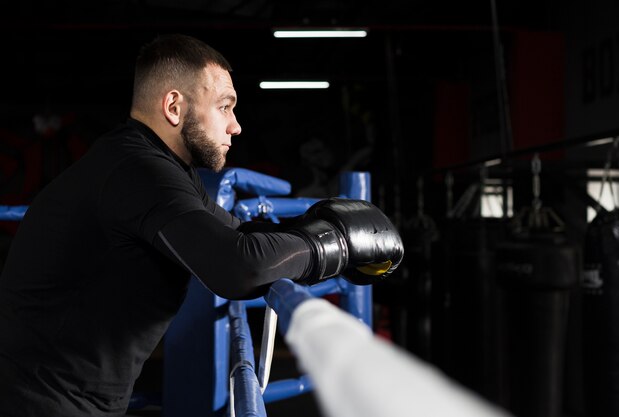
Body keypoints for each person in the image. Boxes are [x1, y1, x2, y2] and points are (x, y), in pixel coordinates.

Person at [0, 34, 403, 417]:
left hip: (59, 395)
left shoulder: (157, 164)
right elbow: (238, 267)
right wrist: (334, 245)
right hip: (38, 401)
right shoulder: (139, 172)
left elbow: (237, 234)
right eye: (224, 107)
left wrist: (313, 225)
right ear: (174, 107)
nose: (236, 125)